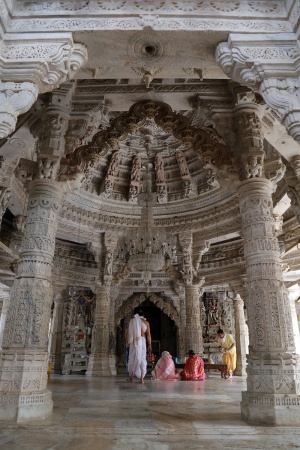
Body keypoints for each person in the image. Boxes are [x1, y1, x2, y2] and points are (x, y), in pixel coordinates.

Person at [128, 310, 151, 384]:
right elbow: (148, 335)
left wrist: (128, 342)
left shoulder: (132, 321)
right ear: (143, 316)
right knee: (142, 359)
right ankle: (141, 379)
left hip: (134, 341)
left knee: (132, 358)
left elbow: (129, 332)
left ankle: (131, 377)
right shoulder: (146, 323)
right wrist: (150, 345)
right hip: (143, 341)